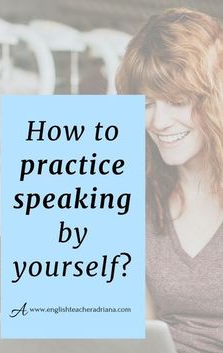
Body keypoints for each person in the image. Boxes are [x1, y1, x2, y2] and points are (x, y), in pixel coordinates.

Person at [116, 7, 223, 353]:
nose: (158, 122)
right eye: (147, 104)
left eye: (177, 101)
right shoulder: (139, 201)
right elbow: (139, 339)